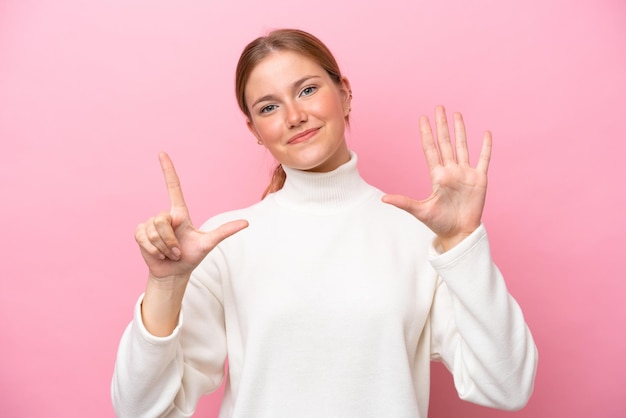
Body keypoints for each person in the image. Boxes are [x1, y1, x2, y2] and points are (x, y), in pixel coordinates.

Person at [111, 28, 537, 418]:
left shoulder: (421, 238)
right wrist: (165, 285)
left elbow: (508, 386)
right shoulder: (223, 241)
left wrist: (463, 242)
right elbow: (140, 409)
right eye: (269, 106)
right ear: (255, 130)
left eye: (308, 90)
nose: (294, 116)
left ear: (345, 93)